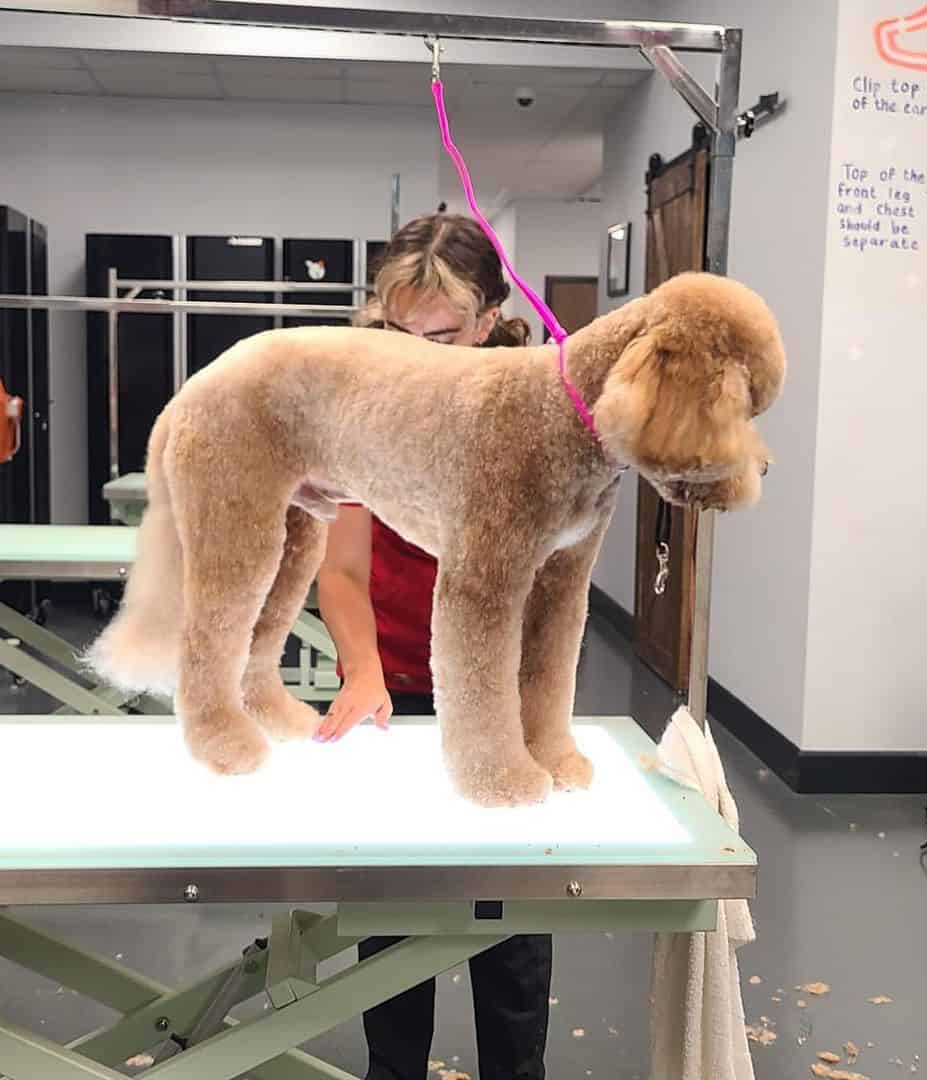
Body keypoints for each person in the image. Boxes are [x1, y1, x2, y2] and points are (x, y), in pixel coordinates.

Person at [315, 213, 552, 1080]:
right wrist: (365, 672)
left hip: (502, 696)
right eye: (398, 332)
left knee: (510, 929)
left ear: (490, 318)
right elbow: (339, 570)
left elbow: (554, 581)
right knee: (392, 922)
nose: (415, 352)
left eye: (443, 334)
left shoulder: (531, 412)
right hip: (400, 683)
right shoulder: (359, 405)